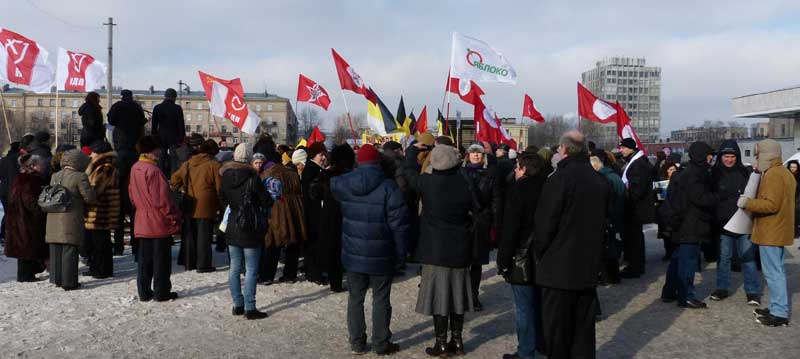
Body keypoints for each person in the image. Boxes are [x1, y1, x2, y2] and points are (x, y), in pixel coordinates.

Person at [533, 131, 610, 359]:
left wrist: (541, 253)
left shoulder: (558, 179)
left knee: (558, 330)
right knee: (583, 329)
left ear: (564, 150)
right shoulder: (599, 180)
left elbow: (544, 224)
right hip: (587, 264)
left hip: (558, 266)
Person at [331, 144, 408, 356]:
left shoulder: (345, 185)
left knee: (355, 299)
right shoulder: (389, 188)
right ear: (378, 162)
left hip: (353, 253)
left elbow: (333, 185)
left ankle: (357, 342)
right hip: (381, 255)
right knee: (381, 299)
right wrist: (401, 254)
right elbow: (400, 225)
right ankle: (381, 343)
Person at [404, 143, 474, 357]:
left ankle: (441, 344)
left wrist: (413, 150)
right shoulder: (465, 182)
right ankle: (458, 341)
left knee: (440, 299)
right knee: (458, 297)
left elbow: (407, 171)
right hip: (460, 247)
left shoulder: (427, 182)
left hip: (435, 249)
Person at [497, 152, 547, 359]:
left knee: (524, 308)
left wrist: (503, 260)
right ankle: (542, 344)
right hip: (545, 254)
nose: (515, 170)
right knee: (540, 304)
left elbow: (511, 228)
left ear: (524, 169)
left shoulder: (518, 189)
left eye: (517, 167)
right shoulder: (548, 186)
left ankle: (526, 351)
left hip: (523, 256)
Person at [742, 139, 795, 327]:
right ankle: (776, 307)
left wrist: (747, 202)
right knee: (777, 271)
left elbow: (771, 204)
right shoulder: (785, 173)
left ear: (766, 155)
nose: (756, 159)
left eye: (758, 155)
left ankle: (779, 312)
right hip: (778, 229)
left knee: (773, 273)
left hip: (770, 231)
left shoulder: (772, 174)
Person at [661, 141, 717, 309]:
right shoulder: (695, 175)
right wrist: (719, 196)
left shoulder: (684, 172)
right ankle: (686, 296)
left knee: (678, 259)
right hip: (690, 224)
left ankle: (669, 292)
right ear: (702, 155)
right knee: (688, 262)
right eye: (709, 155)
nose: (711, 158)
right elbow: (701, 199)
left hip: (681, 222)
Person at [219, 143, 271, 320]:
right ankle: (250, 307)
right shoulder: (252, 177)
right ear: (249, 158)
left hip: (233, 223)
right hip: (250, 225)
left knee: (234, 267)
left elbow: (222, 197)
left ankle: (237, 304)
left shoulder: (225, 175)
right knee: (250, 269)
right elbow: (266, 201)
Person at [708, 139, 761, 305]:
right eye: (726, 156)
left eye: (732, 156)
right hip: (723, 224)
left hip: (743, 222)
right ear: (721, 157)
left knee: (748, 258)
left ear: (737, 157)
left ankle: (752, 291)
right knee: (724, 258)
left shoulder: (744, 172)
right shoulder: (713, 173)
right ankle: (722, 288)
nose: (729, 159)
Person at [129, 136, 181, 302]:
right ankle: (161, 292)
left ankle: (144, 292)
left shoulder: (135, 167)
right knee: (161, 260)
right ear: (151, 151)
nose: (160, 151)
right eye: (157, 149)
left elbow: (131, 193)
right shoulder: (153, 170)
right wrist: (172, 216)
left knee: (145, 260)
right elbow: (162, 199)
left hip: (142, 218)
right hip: (157, 221)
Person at [45, 149, 96, 290]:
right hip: (70, 218)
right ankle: (69, 282)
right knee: (69, 249)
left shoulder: (55, 176)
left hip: (53, 217)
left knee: (56, 248)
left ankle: (57, 279)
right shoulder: (79, 176)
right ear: (79, 162)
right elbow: (89, 197)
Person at [460, 142, 502, 311]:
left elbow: (496, 201)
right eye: (473, 152)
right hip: (463, 222)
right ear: (468, 155)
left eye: (479, 153)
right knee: (462, 262)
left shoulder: (491, 174)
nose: (476, 155)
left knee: (476, 262)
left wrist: (494, 222)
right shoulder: (460, 173)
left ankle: (473, 296)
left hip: (481, 222)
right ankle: (460, 296)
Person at [171, 140, 222, 272]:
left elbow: (174, 180)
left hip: (190, 203)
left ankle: (189, 262)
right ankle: (203, 264)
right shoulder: (214, 165)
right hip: (207, 204)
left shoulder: (187, 163)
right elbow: (219, 188)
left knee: (190, 235)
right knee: (204, 236)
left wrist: (182, 189)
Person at [310, 144, 355, 292]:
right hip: (350, 216)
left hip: (330, 217)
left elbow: (314, 194)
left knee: (333, 249)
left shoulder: (326, 175)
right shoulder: (354, 175)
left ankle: (335, 282)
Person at [108, 89, 147, 256]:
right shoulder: (137, 108)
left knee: (119, 204)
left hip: (121, 149)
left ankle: (118, 246)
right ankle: (136, 245)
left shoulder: (117, 106)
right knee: (134, 204)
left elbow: (110, 120)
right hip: (134, 151)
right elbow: (142, 122)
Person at [260, 148, 307, 284]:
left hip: (276, 208)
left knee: (273, 241)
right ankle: (290, 274)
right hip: (295, 207)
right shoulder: (292, 172)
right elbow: (299, 189)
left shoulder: (266, 174)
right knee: (293, 239)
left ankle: (267, 276)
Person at [4, 154, 48, 282]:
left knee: (24, 245)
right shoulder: (29, 179)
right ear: (32, 166)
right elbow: (30, 200)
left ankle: (26, 274)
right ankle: (26, 275)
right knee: (27, 245)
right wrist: (40, 210)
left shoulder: (22, 178)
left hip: (19, 217)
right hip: (26, 218)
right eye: (40, 164)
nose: (43, 166)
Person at [83, 140, 120, 279]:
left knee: (101, 243)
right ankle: (96, 267)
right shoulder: (100, 166)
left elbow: (96, 189)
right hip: (97, 210)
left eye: (92, 152)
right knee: (96, 242)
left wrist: (85, 194)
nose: (91, 155)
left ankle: (102, 270)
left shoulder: (106, 168)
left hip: (101, 211)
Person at [618, 138, 655, 278]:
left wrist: (625, 198)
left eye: (622, 148)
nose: (621, 150)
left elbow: (636, 190)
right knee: (635, 238)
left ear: (630, 148)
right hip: (635, 208)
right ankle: (635, 265)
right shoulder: (638, 162)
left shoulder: (637, 164)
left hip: (635, 209)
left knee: (634, 239)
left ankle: (635, 267)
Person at [591, 150, 625, 285]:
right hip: (616, 216)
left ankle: (607, 277)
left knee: (607, 249)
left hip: (609, 217)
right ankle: (613, 276)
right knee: (611, 248)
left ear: (596, 166)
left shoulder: (604, 178)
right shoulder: (614, 176)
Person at [302, 142, 327, 284]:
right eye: (320, 155)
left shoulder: (314, 169)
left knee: (313, 243)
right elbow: (314, 194)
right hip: (313, 212)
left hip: (312, 211)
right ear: (313, 155)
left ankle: (311, 271)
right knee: (314, 243)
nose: (323, 157)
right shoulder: (313, 170)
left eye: (324, 154)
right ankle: (314, 273)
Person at [151, 88, 186, 176]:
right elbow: (181, 125)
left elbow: (154, 125)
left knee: (160, 158)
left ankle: (160, 177)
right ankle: (173, 179)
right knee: (174, 159)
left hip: (161, 138)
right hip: (174, 138)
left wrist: (154, 137)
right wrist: (181, 138)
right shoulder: (177, 108)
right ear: (175, 97)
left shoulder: (157, 108)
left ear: (165, 96)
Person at [0, 142, 22, 242]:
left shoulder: (3, 160)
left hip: (3, 190)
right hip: (14, 189)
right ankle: (9, 234)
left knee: (7, 212)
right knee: (14, 213)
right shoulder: (19, 160)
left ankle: (4, 233)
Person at [785, 160, 800, 238]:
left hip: (797, 200)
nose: (793, 169)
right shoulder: (786, 176)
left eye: (795, 167)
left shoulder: (799, 177)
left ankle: (795, 233)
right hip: (787, 200)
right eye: (791, 167)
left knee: (795, 217)